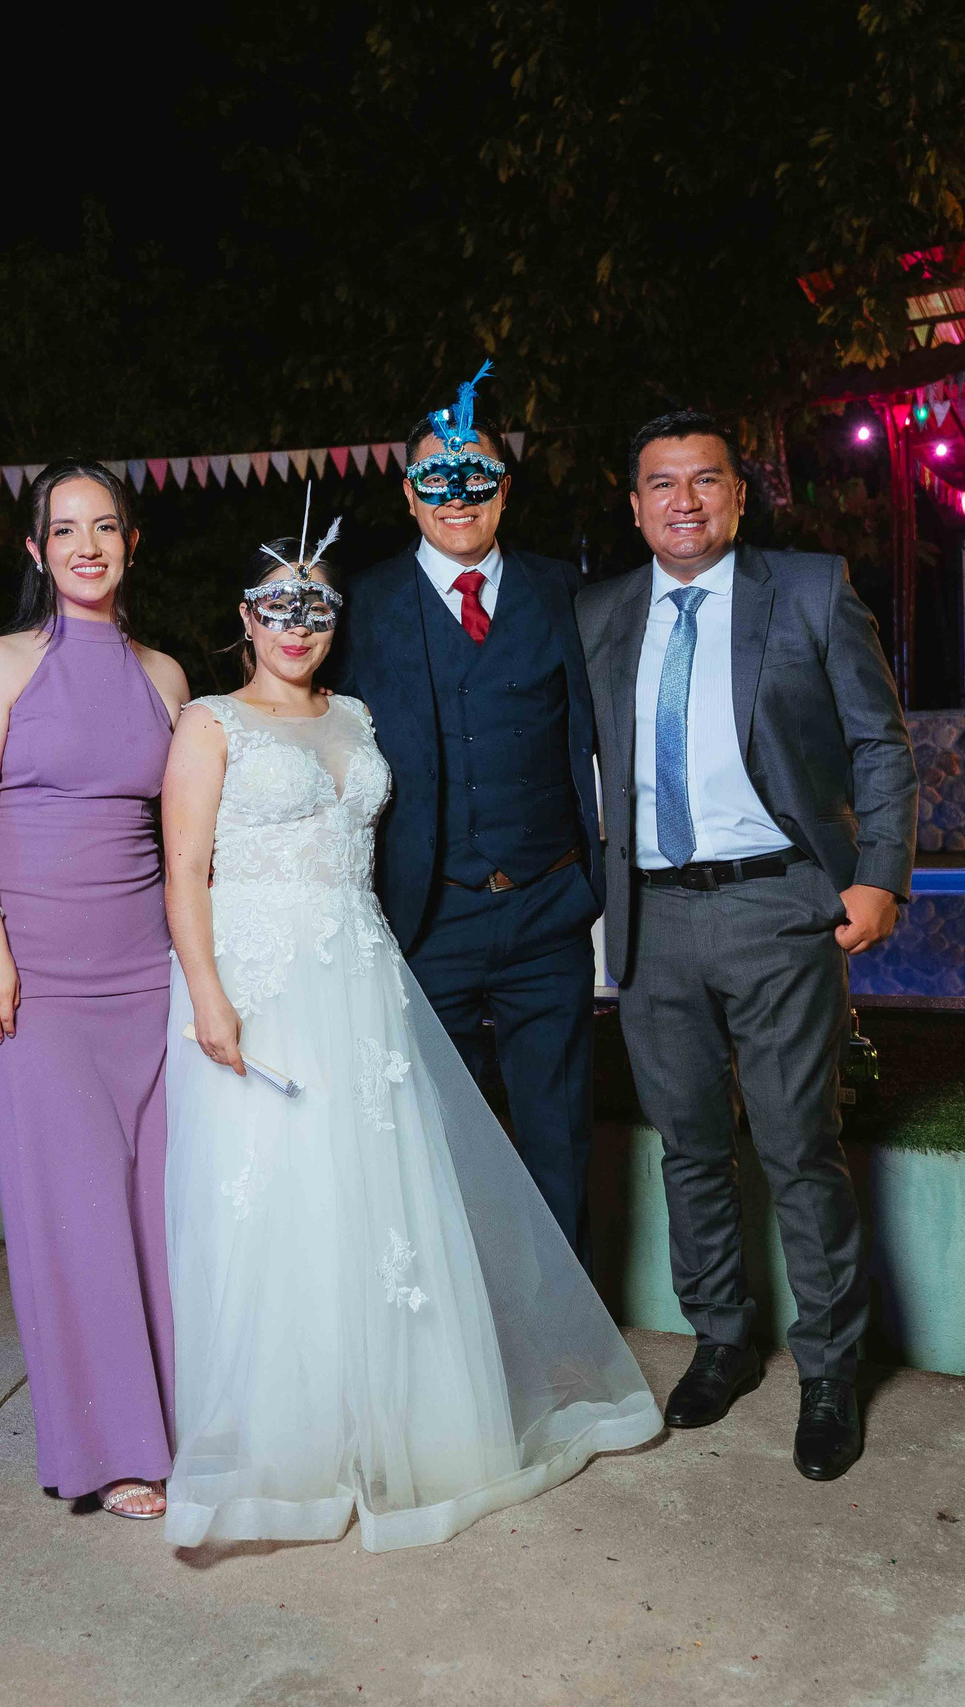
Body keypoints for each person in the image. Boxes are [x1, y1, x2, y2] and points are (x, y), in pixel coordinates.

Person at [158, 527, 659, 1552]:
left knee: (383, 1190)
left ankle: (410, 1416)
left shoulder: (355, 714)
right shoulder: (209, 726)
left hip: (363, 976)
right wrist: (209, 995)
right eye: (276, 606)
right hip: (260, 983)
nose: (296, 626)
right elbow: (181, 874)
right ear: (244, 620)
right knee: (283, 1191)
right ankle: (293, 1438)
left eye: (316, 608)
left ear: (336, 625)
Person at [575, 410, 917, 1483]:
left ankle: (829, 1368)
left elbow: (878, 741)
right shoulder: (597, 613)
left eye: (705, 481)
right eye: (660, 484)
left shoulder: (808, 590)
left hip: (777, 905)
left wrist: (879, 876)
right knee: (686, 1144)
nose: (683, 501)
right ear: (634, 507)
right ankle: (721, 1340)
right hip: (651, 914)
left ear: (736, 494)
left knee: (794, 1143)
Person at [0, 460, 190, 1521]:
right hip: (31, 974)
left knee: (164, 1211)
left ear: (131, 541)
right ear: (34, 551)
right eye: (64, 529)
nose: (87, 545)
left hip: (149, 975)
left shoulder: (167, 676)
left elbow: (188, 842)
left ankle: (187, 1425)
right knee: (76, 1217)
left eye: (106, 526)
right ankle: (112, 1451)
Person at [332, 363, 607, 1254]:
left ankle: (568, 1345)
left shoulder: (567, 592)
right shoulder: (360, 606)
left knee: (559, 1135)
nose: (457, 497)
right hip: (425, 915)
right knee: (436, 1137)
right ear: (409, 496)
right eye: (434, 481)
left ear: (503, 489)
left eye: (475, 477)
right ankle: (469, 1343)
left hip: (547, 906)